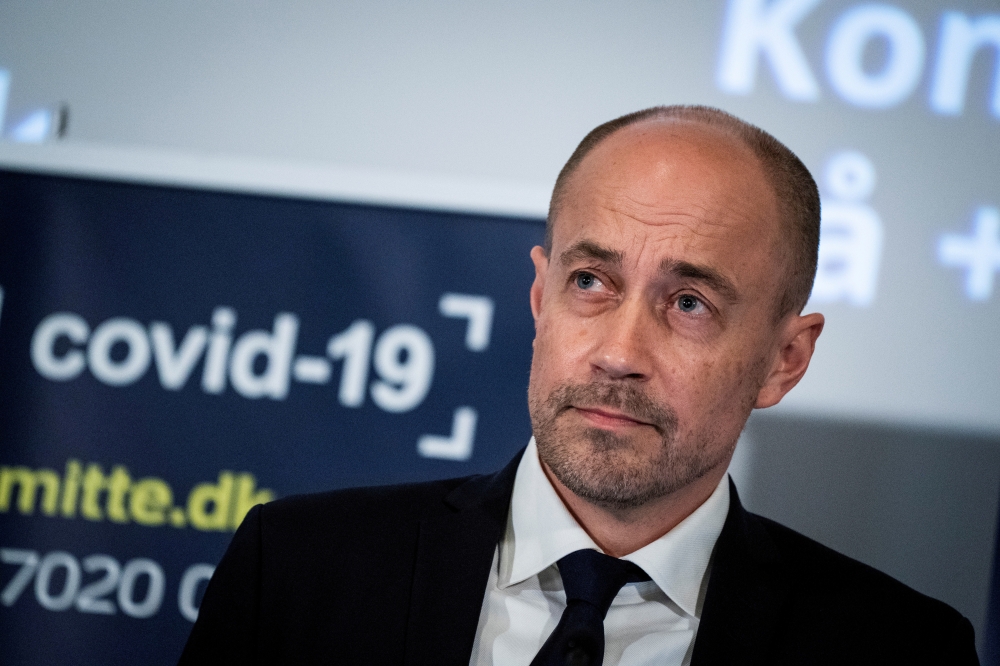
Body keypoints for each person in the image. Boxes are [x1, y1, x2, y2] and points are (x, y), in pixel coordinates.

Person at [178, 106, 979, 665]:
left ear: (784, 360)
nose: (618, 352)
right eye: (591, 282)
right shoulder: (296, 571)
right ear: (539, 299)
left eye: (689, 303)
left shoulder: (900, 648)